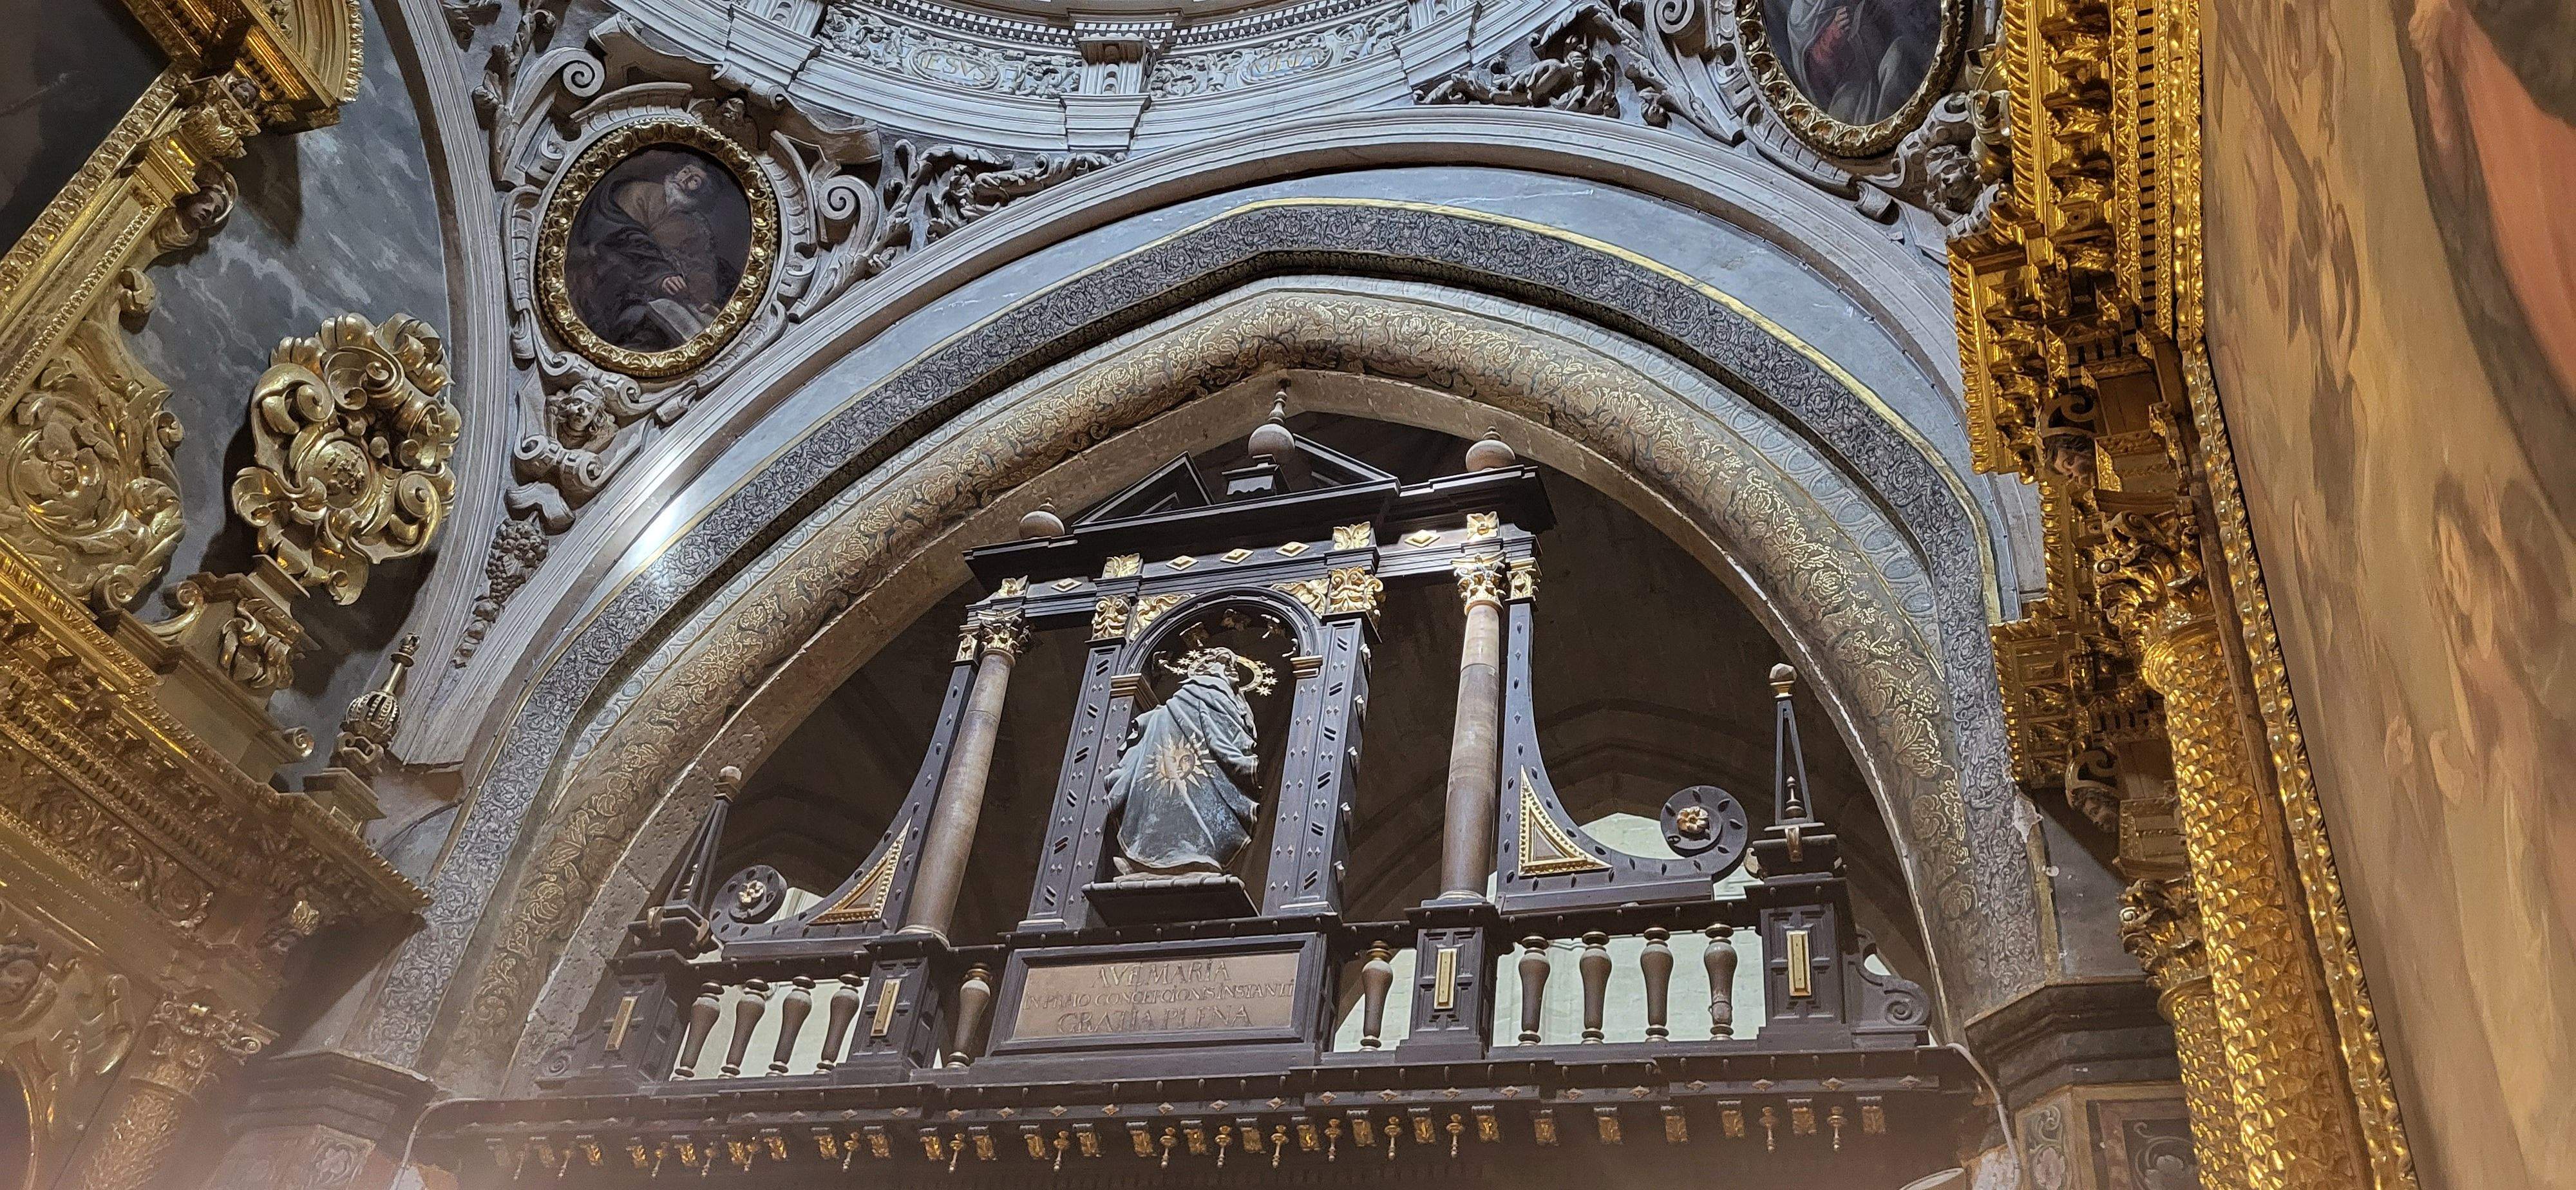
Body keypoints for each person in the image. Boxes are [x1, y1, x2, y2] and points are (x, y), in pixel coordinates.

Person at [1103, 648, 1266, 879]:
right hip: (1179, 769)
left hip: (1200, 773)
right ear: (1202, 669)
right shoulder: (1206, 690)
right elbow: (1225, 739)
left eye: (1233, 664)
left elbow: (1228, 734)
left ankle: (1166, 861)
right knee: (1167, 806)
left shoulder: (1222, 697)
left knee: (1186, 807)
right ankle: (1158, 863)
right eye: (1223, 661)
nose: (1231, 667)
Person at [569, 154, 740, 351]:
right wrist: (661, 277)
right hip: (614, 273)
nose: (684, 179)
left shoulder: (696, 227)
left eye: (694, 181)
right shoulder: (641, 193)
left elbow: (701, 264)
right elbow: (626, 239)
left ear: (701, 194)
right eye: (685, 172)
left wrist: (704, 299)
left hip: (664, 294)